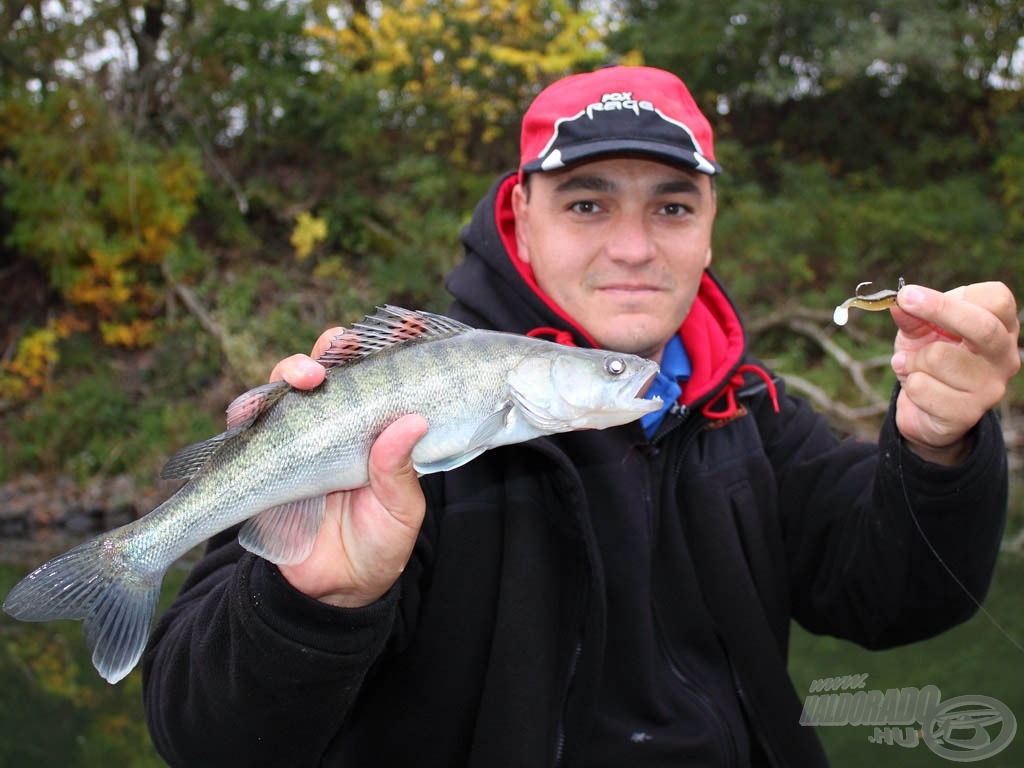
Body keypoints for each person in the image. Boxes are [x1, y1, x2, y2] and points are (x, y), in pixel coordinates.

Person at [142, 66, 1020, 767]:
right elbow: (203, 737)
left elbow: (904, 597)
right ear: (522, 216)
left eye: (672, 205)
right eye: (588, 203)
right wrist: (313, 602)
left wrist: (938, 448)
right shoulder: (396, 428)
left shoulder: (752, 413)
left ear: (711, 226)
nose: (633, 247)